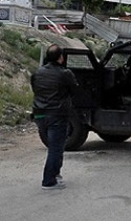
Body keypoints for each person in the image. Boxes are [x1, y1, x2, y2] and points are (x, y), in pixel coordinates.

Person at [31, 44, 79, 190]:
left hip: (39, 113)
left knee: (54, 146)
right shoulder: (65, 74)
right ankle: (49, 180)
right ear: (61, 57)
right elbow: (74, 89)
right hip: (56, 114)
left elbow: (35, 89)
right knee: (56, 148)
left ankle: (55, 174)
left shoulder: (37, 72)